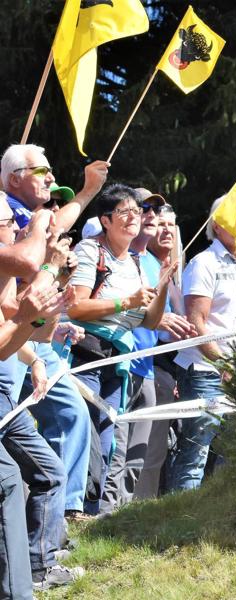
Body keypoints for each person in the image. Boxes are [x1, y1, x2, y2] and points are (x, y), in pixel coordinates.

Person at [66, 185, 174, 514]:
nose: (134, 218)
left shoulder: (137, 263)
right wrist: (125, 301)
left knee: (107, 433)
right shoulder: (89, 251)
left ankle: (91, 511)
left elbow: (150, 322)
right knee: (88, 432)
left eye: (136, 212)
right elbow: (76, 308)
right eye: (124, 212)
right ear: (106, 220)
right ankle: (73, 510)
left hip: (120, 360)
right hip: (88, 352)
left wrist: (164, 284)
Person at [3, 144, 97, 522]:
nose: (53, 181)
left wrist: (58, 281)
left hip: (19, 349)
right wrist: (42, 238)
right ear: (13, 179)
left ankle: (54, 531)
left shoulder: (30, 220)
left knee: (67, 429)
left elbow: (31, 325)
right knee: (27, 473)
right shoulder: (13, 216)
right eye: (43, 173)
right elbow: (27, 262)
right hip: (7, 354)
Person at [0, 197, 80, 591]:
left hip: (6, 399)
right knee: (8, 484)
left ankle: (38, 566)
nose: (12, 231)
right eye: (7, 225)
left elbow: (32, 330)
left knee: (46, 473)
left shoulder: (4, 278)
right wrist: (48, 265)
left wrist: (34, 357)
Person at [101, 191, 194, 511]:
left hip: (146, 366)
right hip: (116, 365)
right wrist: (158, 320)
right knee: (116, 450)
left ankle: (125, 521)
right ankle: (103, 518)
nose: (152, 216)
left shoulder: (153, 262)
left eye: (157, 211)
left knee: (140, 457)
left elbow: (161, 320)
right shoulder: (114, 255)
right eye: (146, 210)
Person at [169, 197, 236, 491]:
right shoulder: (203, 263)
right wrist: (224, 364)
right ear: (218, 224)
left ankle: (215, 518)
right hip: (204, 370)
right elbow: (197, 323)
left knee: (233, 450)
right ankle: (180, 520)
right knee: (196, 449)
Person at [135, 208, 190, 499]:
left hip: (169, 370)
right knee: (146, 450)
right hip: (149, 365)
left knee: (156, 452)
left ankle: (145, 507)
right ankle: (134, 511)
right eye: (159, 225)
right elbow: (159, 325)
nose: (166, 230)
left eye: (171, 224)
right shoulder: (143, 263)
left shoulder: (176, 270)